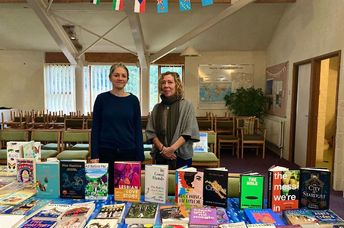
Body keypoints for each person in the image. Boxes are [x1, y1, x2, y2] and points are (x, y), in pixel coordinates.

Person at [90, 63, 144, 194]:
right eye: (116, 75)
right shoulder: (101, 99)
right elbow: (95, 128)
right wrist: (94, 154)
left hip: (129, 152)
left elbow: (138, 129)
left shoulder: (133, 100)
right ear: (110, 77)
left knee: (127, 193)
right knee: (106, 192)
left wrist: (140, 156)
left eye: (123, 76)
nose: (120, 78)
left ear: (127, 79)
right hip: (106, 152)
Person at [146, 71, 199, 169]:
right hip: (160, 155)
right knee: (159, 184)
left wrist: (171, 149)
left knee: (182, 184)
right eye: (163, 82)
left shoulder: (187, 105)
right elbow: (151, 132)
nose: (166, 85)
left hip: (181, 156)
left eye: (170, 82)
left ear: (177, 84)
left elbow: (188, 131)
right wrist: (163, 149)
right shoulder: (157, 108)